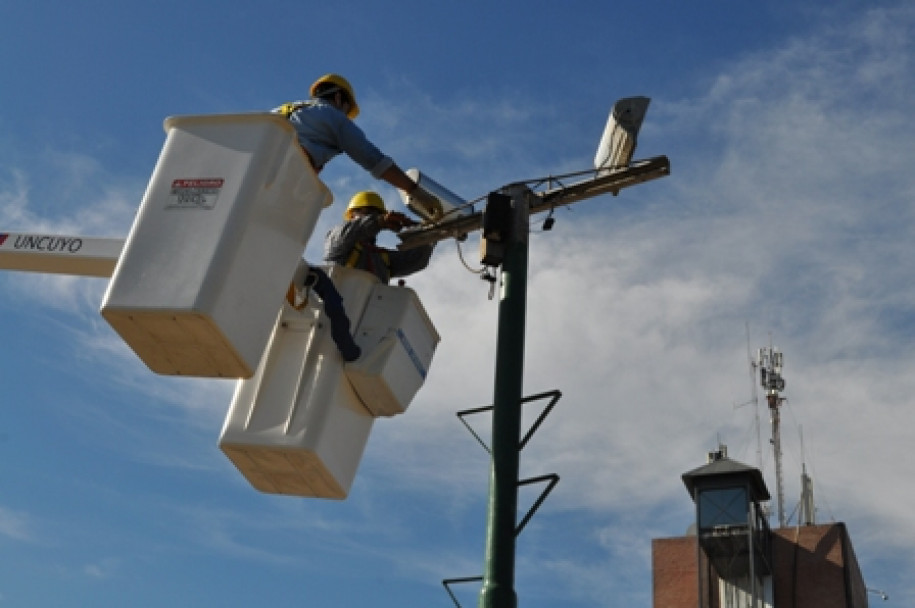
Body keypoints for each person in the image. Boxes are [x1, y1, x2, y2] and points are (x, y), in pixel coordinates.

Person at [274, 73, 441, 220]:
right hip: (286, 178)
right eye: (347, 110)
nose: (347, 116)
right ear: (339, 97)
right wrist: (414, 191)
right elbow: (373, 159)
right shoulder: (335, 117)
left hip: (258, 173)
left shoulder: (280, 111)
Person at [325, 191, 434, 284]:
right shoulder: (337, 239)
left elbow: (415, 260)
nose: (372, 216)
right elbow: (351, 231)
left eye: (376, 213)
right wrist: (379, 221)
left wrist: (429, 234)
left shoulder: (382, 258)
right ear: (352, 215)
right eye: (367, 212)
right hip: (334, 303)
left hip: (369, 307)